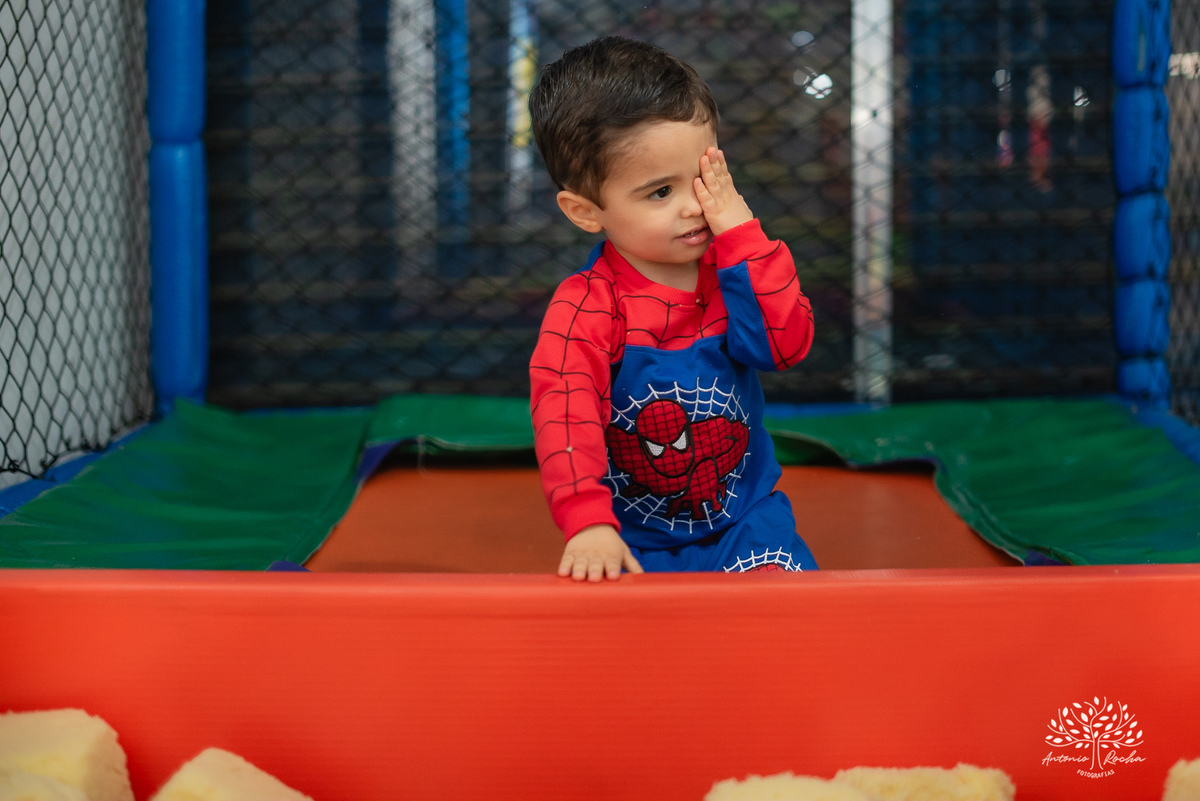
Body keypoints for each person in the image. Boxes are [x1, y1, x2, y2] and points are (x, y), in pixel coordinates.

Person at [528, 35, 817, 582]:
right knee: (643, 652)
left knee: (786, 613)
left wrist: (745, 239)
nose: (694, 206)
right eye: (660, 192)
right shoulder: (588, 307)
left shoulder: (733, 270)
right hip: (634, 538)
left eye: (702, 177)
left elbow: (784, 347)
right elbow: (565, 411)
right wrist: (588, 523)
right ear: (586, 211)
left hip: (745, 522)